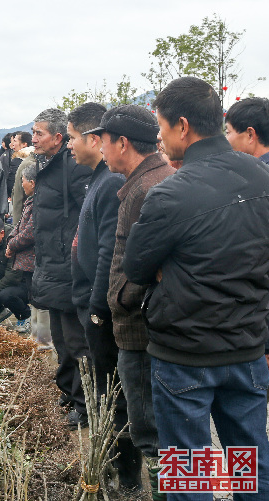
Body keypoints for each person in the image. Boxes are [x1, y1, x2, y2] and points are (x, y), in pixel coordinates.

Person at [124, 76, 269, 501]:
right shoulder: (261, 177)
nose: (159, 136)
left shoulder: (172, 193)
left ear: (183, 126)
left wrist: (166, 268)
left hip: (185, 353)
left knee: (189, 467)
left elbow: (136, 266)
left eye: (161, 125)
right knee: (250, 456)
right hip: (246, 347)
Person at [99, 104, 173, 500]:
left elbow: (148, 267)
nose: (100, 148)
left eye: (104, 140)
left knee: (153, 434)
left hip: (143, 333)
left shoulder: (148, 189)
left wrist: (122, 299)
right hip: (140, 328)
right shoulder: (142, 183)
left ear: (122, 142)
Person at [69, 102, 140, 484]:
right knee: (106, 390)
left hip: (103, 311)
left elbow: (109, 255)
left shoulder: (111, 182)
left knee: (115, 394)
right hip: (91, 304)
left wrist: (97, 309)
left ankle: (127, 477)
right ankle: (114, 464)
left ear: (96, 140)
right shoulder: (97, 180)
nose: (69, 146)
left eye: (73, 137)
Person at [225, 97, 269, 441]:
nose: (227, 140)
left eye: (229, 132)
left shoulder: (261, 186)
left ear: (250, 135)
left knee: (245, 434)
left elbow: (268, 267)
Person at [30, 108, 92, 430]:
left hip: (68, 266)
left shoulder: (75, 169)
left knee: (75, 339)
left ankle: (85, 406)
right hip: (51, 265)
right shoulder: (49, 166)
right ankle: (68, 392)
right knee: (60, 337)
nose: (33, 138)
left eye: (39, 133)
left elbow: (84, 218)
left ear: (57, 138)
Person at [6, 163, 50, 348]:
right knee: (34, 299)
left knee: (39, 300)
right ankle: (36, 339)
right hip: (27, 260)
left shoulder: (39, 202)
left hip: (33, 260)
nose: (21, 184)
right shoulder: (31, 200)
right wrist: (11, 239)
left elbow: (29, 232)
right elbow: (19, 227)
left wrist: (12, 244)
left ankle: (43, 342)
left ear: (32, 182)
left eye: (23, 181)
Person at [11, 131, 35, 222]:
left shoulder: (26, 162)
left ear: (24, 144)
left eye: (15, 141)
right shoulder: (29, 160)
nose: (12, 144)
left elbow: (18, 195)